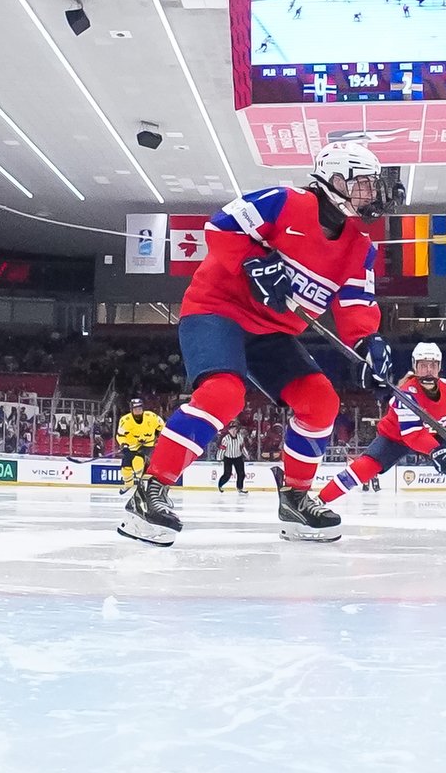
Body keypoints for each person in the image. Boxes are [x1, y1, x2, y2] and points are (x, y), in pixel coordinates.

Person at [117, 140, 402, 546]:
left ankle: (296, 498)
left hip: (273, 332)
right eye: (364, 184)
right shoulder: (284, 202)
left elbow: (356, 304)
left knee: (321, 402)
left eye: (374, 185)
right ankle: (151, 489)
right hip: (217, 310)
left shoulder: (360, 247)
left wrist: (367, 343)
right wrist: (253, 260)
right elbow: (221, 226)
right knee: (222, 394)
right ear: (335, 181)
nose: (372, 193)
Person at [315, 343, 446, 515]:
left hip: (432, 435)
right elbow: (413, 435)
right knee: (365, 467)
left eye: (432, 365)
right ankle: (320, 500)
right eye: (423, 365)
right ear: (415, 367)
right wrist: (437, 451)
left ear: (439, 367)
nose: (428, 370)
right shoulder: (406, 393)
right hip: (396, 437)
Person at [116, 398, 165, 488]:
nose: (138, 411)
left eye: (139, 408)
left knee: (137, 461)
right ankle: (128, 484)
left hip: (148, 444)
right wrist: (124, 444)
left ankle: (140, 480)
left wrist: (160, 436)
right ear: (131, 410)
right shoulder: (125, 421)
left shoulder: (151, 417)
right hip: (131, 446)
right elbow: (120, 435)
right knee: (125, 468)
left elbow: (163, 427)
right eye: (135, 409)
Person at [216, 421, 249, 493]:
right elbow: (222, 449)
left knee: (241, 474)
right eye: (233, 429)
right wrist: (219, 458)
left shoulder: (240, 437)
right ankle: (220, 485)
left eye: (236, 429)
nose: (234, 431)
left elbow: (242, 448)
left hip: (238, 457)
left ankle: (240, 488)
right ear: (229, 430)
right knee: (227, 474)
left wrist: (247, 455)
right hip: (228, 458)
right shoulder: (226, 439)